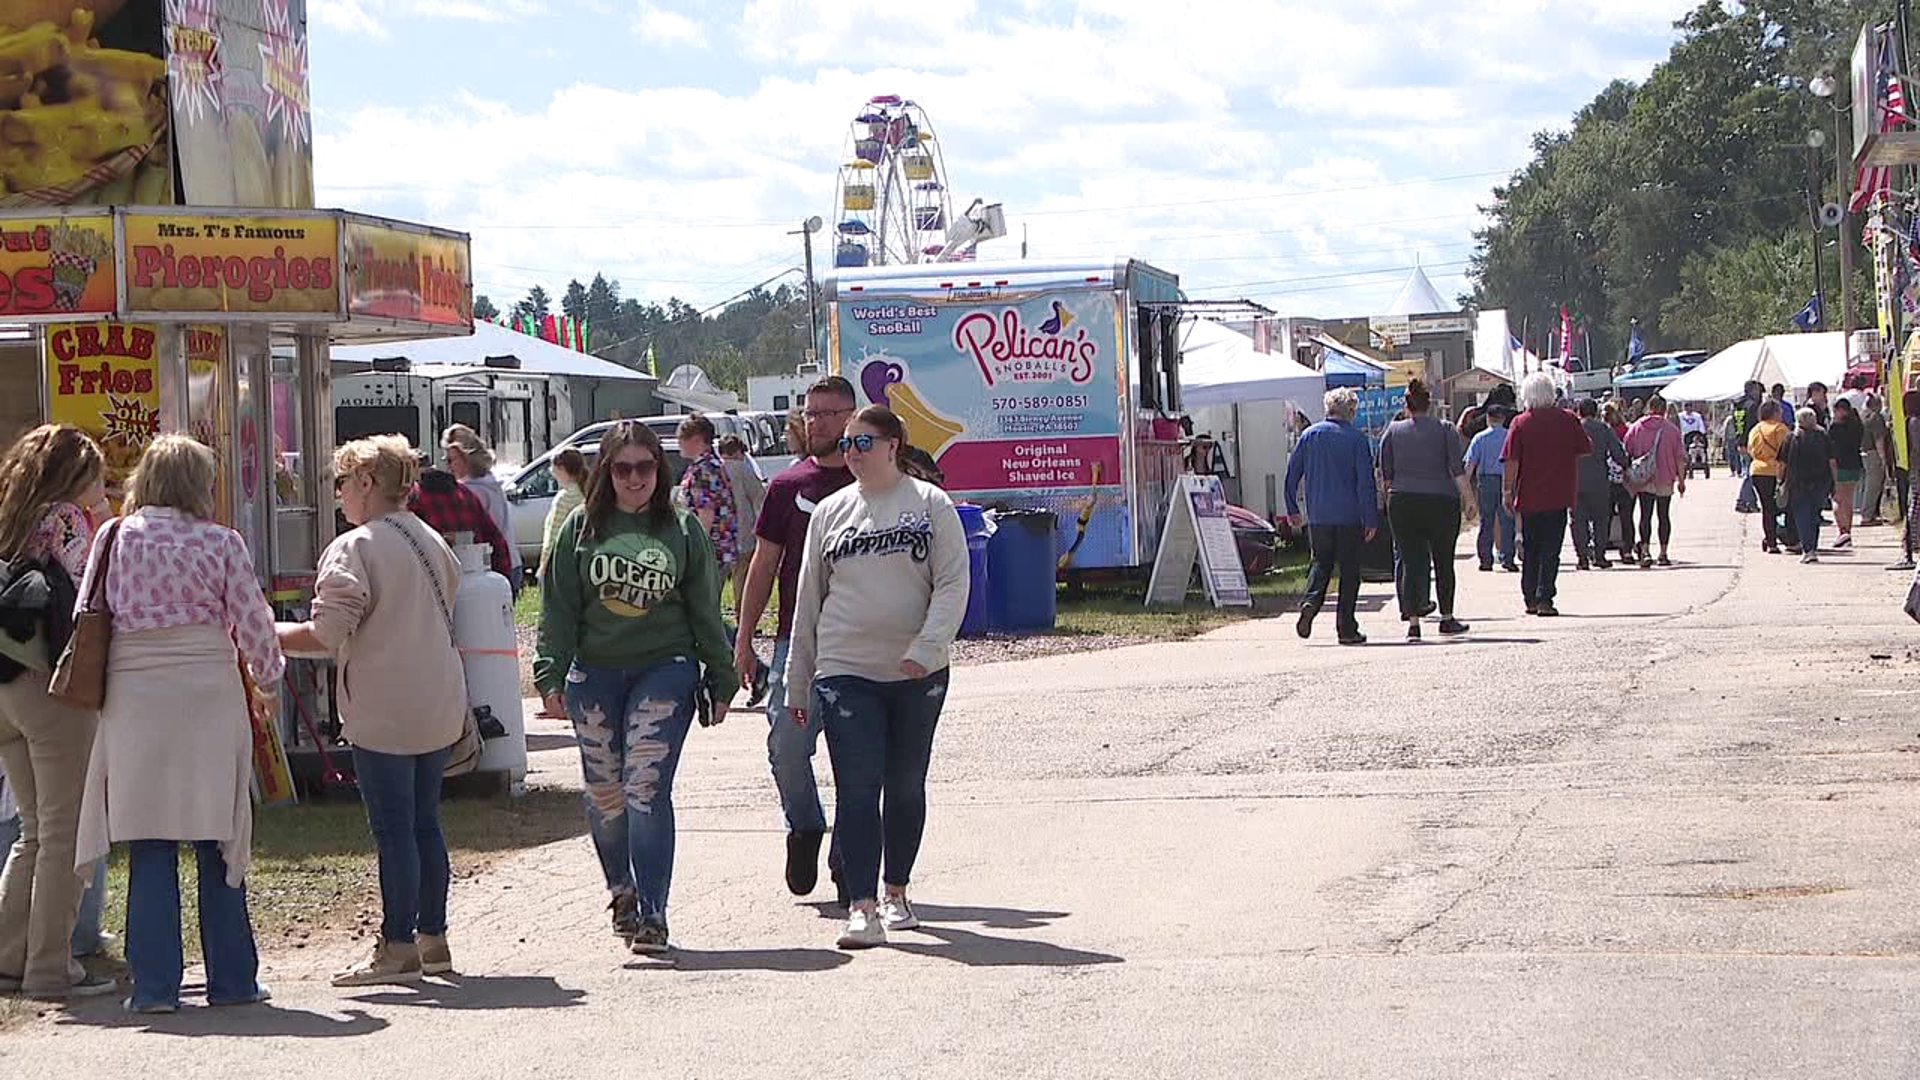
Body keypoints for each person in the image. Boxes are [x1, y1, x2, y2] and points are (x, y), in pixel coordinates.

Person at [74, 435, 282, 1013]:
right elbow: (254, 622)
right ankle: (233, 979)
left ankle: (156, 987)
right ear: (199, 484)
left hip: (135, 696)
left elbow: (85, 615)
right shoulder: (222, 542)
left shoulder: (113, 538)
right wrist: (267, 680)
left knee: (150, 839)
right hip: (208, 693)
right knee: (217, 833)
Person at [537, 421, 738, 954]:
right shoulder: (579, 528)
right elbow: (558, 609)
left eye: (645, 466)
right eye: (622, 468)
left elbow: (704, 609)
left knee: (645, 787)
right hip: (595, 673)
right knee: (606, 795)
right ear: (605, 471)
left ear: (659, 468)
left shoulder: (682, 527)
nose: (634, 478)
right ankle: (620, 890)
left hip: (665, 668)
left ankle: (654, 911)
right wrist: (548, 673)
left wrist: (722, 673)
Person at [277, 436, 467, 987]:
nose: (338, 496)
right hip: (437, 700)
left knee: (393, 831)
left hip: (384, 706)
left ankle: (397, 945)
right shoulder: (431, 539)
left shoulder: (354, 547)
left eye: (341, 483)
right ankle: (433, 939)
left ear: (364, 484)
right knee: (425, 823)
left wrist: (264, 633)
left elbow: (326, 634)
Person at [785, 406, 968, 950]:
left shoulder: (931, 505)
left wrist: (927, 646)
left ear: (894, 445)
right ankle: (861, 905)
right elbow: (807, 601)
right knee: (858, 787)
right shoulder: (831, 512)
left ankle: (897, 892)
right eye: (846, 444)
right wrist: (798, 684)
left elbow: (954, 583)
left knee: (905, 785)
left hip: (918, 672)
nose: (853, 453)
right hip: (845, 671)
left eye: (863, 442)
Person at [0, 425, 116, 1001]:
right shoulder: (69, 522)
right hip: (53, 688)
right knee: (67, 834)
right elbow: (93, 593)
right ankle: (50, 968)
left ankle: (9, 958)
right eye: (95, 474)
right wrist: (100, 517)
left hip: (6, 689)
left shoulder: (13, 519)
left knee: (33, 831)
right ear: (76, 477)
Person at [733, 378, 857, 902]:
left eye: (829, 413)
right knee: (786, 743)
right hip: (795, 641)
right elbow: (763, 565)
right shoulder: (788, 486)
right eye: (810, 414)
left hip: (859, 643)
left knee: (858, 757)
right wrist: (744, 639)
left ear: (853, 417)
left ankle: (851, 854)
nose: (817, 423)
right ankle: (805, 826)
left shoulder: (870, 482)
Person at [1379, 379, 1472, 640]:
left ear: (1407, 406)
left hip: (1403, 501)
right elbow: (1457, 469)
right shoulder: (1446, 430)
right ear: (1429, 404)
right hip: (1441, 501)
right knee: (1444, 560)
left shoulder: (1392, 431)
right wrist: (1470, 499)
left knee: (1410, 560)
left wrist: (1389, 503)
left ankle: (1414, 623)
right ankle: (1446, 617)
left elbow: (1386, 476)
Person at [1284, 387, 1378, 645]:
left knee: (1321, 563)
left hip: (1319, 516)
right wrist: (1371, 518)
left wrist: (1292, 508)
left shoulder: (1309, 436)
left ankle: (1310, 603)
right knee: (1349, 571)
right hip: (1349, 516)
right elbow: (1365, 483)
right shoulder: (1357, 439)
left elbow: (1292, 475)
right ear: (1350, 410)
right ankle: (1346, 628)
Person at [1502, 372, 1591, 616]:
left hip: (1529, 496)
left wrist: (1507, 490)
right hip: (1559, 494)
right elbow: (1584, 449)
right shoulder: (1568, 420)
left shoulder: (1520, 423)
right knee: (1552, 549)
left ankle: (1529, 596)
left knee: (1530, 548)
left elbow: (1511, 460)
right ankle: (1545, 598)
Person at [441, 424, 523, 594]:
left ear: (466, 458)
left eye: (450, 460)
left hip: (491, 569)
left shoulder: (471, 491)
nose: (448, 466)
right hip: (512, 562)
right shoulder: (491, 482)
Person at [409, 451, 513, 582]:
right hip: (474, 580)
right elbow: (495, 540)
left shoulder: (413, 499)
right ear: (433, 466)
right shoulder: (465, 494)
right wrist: (503, 579)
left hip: (434, 584)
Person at [1624, 393, 1687, 567]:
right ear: (1664, 410)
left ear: (1648, 408)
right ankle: (1663, 553)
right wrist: (1681, 480)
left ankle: (1644, 551)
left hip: (1644, 479)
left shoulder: (1636, 427)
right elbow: (1680, 458)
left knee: (1645, 515)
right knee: (1663, 515)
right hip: (1665, 478)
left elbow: (1626, 451)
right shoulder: (1672, 430)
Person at [1572, 398, 1630, 569]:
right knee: (1601, 520)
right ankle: (1599, 556)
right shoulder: (1604, 429)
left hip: (1575, 480)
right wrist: (1626, 465)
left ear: (1579, 412)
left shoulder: (1573, 429)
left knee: (1578, 520)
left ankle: (1582, 557)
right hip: (1599, 480)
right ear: (1596, 412)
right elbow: (1617, 453)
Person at [718, 435, 768, 629]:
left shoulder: (714, 470)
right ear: (738, 451)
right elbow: (759, 499)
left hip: (719, 536)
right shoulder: (743, 470)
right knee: (742, 579)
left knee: (717, 581)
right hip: (743, 534)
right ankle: (743, 621)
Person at [1462, 404, 1517, 573]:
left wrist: (1466, 491)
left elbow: (1470, 465)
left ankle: (1485, 559)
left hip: (1485, 481)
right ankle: (1507, 557)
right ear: (1502, 419)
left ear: (1488, 418)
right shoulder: (1509, 436)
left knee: (1486, 520)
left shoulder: (1479, 438)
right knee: (1507, 520)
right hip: (1505, 480)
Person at [1782, 407, 1836, 563]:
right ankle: (1812, 546)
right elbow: (1832, 461)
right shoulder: (1823, 437)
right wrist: (1835, 482)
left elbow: (1782, 464)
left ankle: (1808, 549)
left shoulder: (1791, 438)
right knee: (1814, 515)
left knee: (1802, 516)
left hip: (1797, 482)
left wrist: (1780, 481)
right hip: (1821, 482)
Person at [1746, 401, 1792, 555]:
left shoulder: (1755, 429)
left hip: (1757, 470)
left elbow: (1751, 450)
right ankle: (1789, 538)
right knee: (1784, 505)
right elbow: (1786, 451)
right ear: (1775, 413)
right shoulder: (1780, 429)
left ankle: (1771, 541)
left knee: (1767, 508)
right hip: (1775, 471)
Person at [540, 447, 588, 579]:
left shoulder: (565, 498)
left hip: (561, 562)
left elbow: (554, 534)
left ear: (561, 468)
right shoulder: (588, 491)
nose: (551, 472)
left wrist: (544, 566)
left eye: (553, 468)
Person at [1829, 397, 1865, 550]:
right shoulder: (1857, 424)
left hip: (1839, 465)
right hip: (1854, 464)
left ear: (1839, 410)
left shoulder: (1835, 428)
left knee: (1837, 499)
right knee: (1848, 500)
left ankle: (1842, 531)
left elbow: (1831, 449)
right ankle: (1848, 532)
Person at [1861, 395, 1890, 528]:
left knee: (1870, 484)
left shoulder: (1865, 416)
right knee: (1873, 485)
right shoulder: (1876, 418)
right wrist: (1883, 458)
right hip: (1874, 453)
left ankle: (1869, 513)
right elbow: (1879, 440)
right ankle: (1867, 515)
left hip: (1866, 452)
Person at [1679, 402, 1709, 479]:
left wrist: (1702, 434)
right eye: (1687, 407)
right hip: (1685, 437)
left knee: (1701, 451)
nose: (1689, 409)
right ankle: (1688, 465)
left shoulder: (1697, 416)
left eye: (1690, 407)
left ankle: (1702, 463)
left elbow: (1701, 426)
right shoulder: (1681, 416)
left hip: (1696, 436)